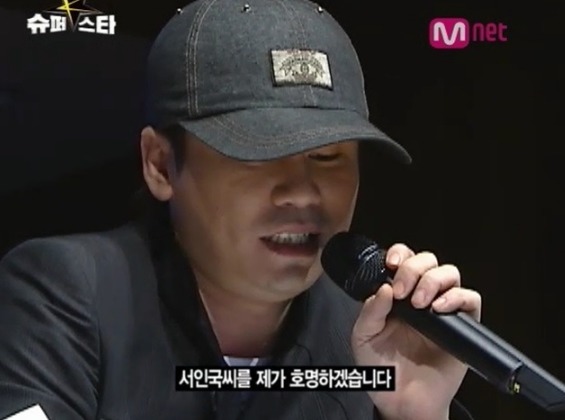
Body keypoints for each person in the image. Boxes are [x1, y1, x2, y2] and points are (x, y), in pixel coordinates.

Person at [0, 0, 482, 419]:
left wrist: (417, 415)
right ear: (160, 165)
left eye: (326, 157)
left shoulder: (373, 337)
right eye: (258, 154)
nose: (302, 193)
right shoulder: (71, 292)